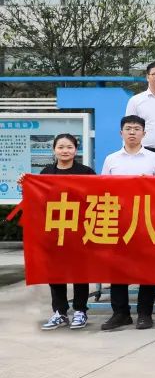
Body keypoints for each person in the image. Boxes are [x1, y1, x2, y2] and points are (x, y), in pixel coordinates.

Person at [100, 116, 155, 332]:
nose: (132, 132)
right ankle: (120, 313)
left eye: (137, 129)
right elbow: (103, 190)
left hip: (146, 221)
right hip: (118, 220)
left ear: (144, 133)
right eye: (128, 128)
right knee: (118, 269)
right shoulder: (111, 159)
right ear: (121, 133)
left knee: (147, 269)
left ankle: (145, 313)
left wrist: (149, 184)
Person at [36, 134, 96, 331]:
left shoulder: (86, 172)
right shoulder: (46, 173)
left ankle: (80, 310)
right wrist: (25, 184)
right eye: (61, 147)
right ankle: (60, 312)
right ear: (54, 150)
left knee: (80, 271)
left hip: (79, 229)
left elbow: (96, 197)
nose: (65, 151)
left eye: (69, 147)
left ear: (76, 150)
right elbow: (38, 198)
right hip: (53, 229)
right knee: (55, 272)